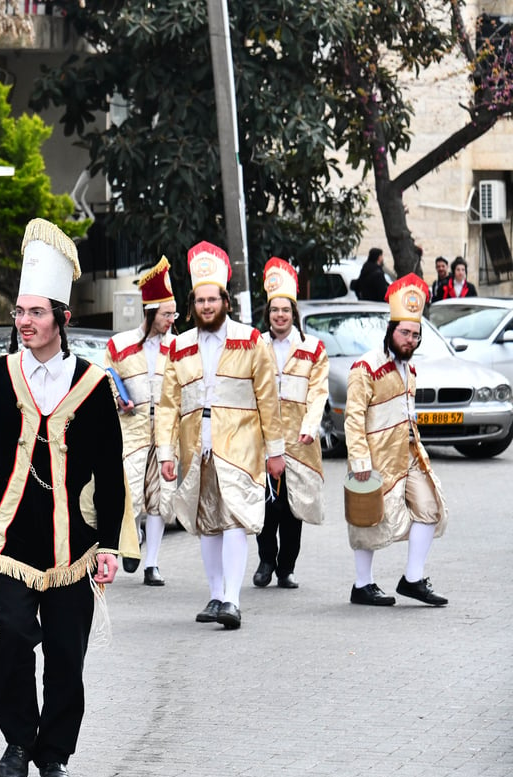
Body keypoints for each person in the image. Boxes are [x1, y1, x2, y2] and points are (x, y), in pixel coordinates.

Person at [0, 218, 133, 777]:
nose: (25, 322)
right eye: (19, 312)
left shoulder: (92, 384)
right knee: (10, 638)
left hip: (75, 547)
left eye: (36, 313)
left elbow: (111, 470)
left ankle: (54, 754)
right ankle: (17, 741)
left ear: (61, 318)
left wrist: (110, 544)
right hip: (11, 539)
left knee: (66, 655)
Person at [155, 242, 285, 630]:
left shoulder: (251, 340)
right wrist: (166, 452)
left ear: (226, 300)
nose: (207, 306)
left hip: (241, 446)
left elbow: (269, 398)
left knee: (235, 519)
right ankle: (215, 595)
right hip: (197, 447)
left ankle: (232, 599)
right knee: (206, 521)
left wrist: (275, 451)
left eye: (213, 299)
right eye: (200, 300)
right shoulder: (178, 347)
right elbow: (167, 404)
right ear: (193, 304)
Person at [345, 274, 449, 607]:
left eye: (415, 335)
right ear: (390, 331)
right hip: (374, 457)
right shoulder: (365, 367)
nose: (410, 340)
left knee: (430, 508)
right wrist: (360, 461)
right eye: (405, 332)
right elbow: (353, 418)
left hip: (409, 455)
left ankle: (413, 579)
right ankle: (363, 585)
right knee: (367, 519)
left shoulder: (411, 370)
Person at [253, 258, 328, 590]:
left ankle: (287, 567)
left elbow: (319, 391)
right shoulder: (256, 346)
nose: (279, 316)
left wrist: (310, 427)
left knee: (292, 510)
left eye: (285, 310)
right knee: (266, 505)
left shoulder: (313, 349)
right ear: (268, 314)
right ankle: (266, 560)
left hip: (300, 440)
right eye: (274, 311)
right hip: (264, 439)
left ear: (293, 313)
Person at [105, 256, 177, 586]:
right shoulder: (119, 345)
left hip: (165, 432)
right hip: (129, 429)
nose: (171, 320)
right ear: (150, 313)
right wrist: (118, 398)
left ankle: (152, 564)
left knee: (161, 498)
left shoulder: (178, 346)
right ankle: (132, 540)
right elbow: (104, 380)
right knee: (130, 495)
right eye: (166, 314)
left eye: (173, 314)